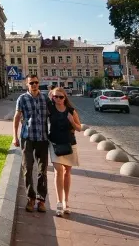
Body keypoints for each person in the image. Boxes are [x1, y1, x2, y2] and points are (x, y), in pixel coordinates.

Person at [13, 74, 49, 213]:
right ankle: (31, 198)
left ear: (38, 83)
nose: (34, 85)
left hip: (42, 138)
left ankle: (41, 200)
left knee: (42, 171)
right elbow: (17, 118)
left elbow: (56, 113)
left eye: (36, 82)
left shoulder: (45, 98)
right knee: (27, 168)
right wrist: (14, 137)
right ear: (27, 85)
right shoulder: (22, 98)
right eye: (31, 83)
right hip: (27, 138)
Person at [48, 88, 81, 217]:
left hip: (69, 144)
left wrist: (72, 121)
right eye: (55, 97)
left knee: (67, 172)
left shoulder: (71, 111)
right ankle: (58, 203)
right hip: (55, 144)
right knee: (58, 171)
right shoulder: (50, 109)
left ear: (65, 98)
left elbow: (79, 128)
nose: (58, 99)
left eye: (61, 97)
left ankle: (66, 201)